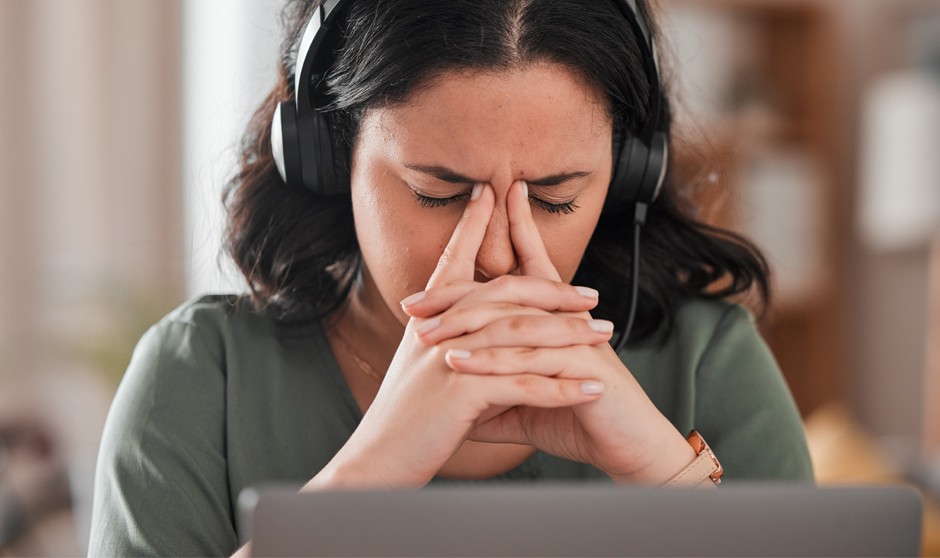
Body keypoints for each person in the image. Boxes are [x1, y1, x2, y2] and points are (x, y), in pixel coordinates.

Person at [89, 0, 814, 555]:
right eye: (438, 193)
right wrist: (364, 480)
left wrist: (665, 479)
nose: (497, 257)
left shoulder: (709, 365)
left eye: (556, 195)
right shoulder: (197, 384)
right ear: (327, 156)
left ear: (631, 175)